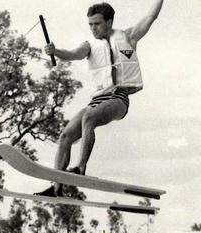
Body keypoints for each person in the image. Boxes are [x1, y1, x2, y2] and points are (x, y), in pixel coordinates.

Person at [36, 0, 164, 197]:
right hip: (97, 100)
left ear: (109, 22)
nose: (93, 28)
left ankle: (81, 168)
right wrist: (56, 52)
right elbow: (72, 54)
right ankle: (56, 188)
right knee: (65, 136)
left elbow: (150, 17)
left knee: (89, 118)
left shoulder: (128, 37)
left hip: (118, 98)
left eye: (97, 23)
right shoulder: (90, 45)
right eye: (90, 24)